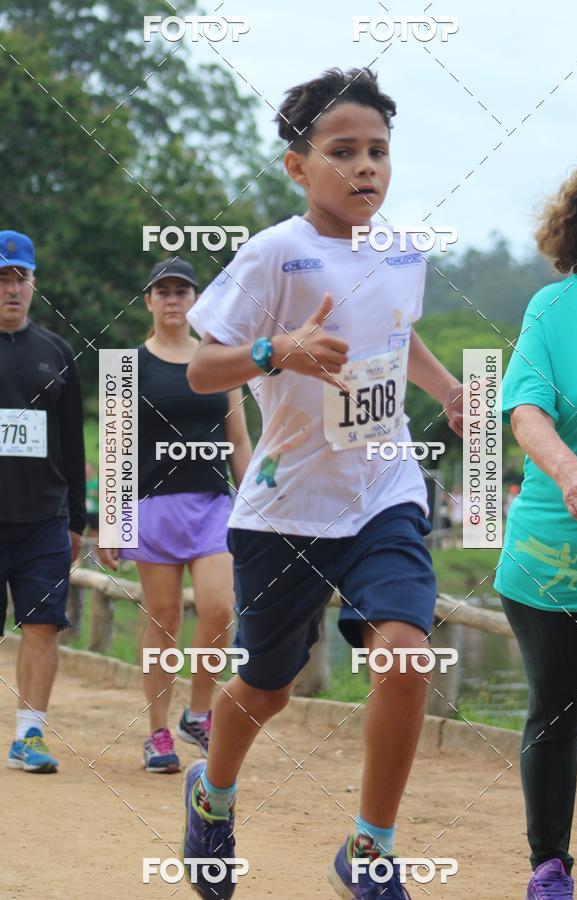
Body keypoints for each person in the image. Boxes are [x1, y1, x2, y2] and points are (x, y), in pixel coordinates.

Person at [182, 68, 464, 899]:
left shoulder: (405, 250)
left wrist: (445, 389)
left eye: (379, 151)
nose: (366, 167)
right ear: (298, 166)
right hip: (286, 506)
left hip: (384, 489)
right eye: (343, 152)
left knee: (407, 656)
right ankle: (214, 791)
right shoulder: (274, 254)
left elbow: (398, 336)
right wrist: (278, 352)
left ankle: (370, 849)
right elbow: (202, 369)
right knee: (265, 686)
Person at [494, 150, 577, 900]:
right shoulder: (552, 310)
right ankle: (549, 866)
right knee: (558, 716)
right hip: (555, 557)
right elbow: (524, 408)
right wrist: (572, 475)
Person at [99, 259, 252, 773]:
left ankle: (198, 712)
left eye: (181, 291)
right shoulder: (125, 367)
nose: (171, 300)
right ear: (148, 301)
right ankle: (158, 732)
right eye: (161, 291)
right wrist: (109, 522)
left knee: (219, 609)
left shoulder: (220, 360)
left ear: (195, 300)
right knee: (162, 619)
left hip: (212, 506)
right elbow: (114, 445)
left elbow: (239, 440)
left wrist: (254, 503)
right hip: (151, 509)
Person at [0, 230, 85, 774]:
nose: (12, 288)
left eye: (20, 278)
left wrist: (79, 520)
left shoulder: (56, 351)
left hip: (44, 522)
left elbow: (74, 441)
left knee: (43, 625)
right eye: (2, 278)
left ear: (35, 284)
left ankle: (29, 736)